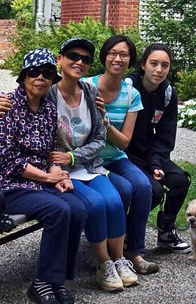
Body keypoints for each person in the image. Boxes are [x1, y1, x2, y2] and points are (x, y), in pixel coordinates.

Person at [0, 48, 87, 304]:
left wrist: (57, 173)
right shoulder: (6, 107)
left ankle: (57, 280)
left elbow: (50, 149)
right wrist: (47, 178)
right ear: (23, 76)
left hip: (34, 181)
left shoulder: (48, 110)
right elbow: (8, 161)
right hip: (5, 186)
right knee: (58, 210)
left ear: (53, 78)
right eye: (34, 72)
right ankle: (41, 283)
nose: (40, 77)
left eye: (48, 73)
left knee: (78, 208)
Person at [49, 37, 138, 292]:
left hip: (87, 165)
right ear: (60, 59)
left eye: (85, 59)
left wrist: (75, 157)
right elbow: (20, 102)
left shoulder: (89, 92)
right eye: (73, 56)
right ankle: (104, 263)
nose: (79, 62)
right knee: (97, 203)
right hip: (59, 170)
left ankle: (120, 260)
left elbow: (100, 136)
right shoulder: (49, 93)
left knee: (114, 199)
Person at [83, 35, 160, 275]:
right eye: (113, 53)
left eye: (124, 55)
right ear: (104, 56)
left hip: (115, 157)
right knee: (124, 189)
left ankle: (134, 252)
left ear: (131, 61)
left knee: (143, 186)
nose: (118, 59)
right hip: (88, 161)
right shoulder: (86, 86)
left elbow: (124, 142)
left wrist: (106, 123)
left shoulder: (131, 94)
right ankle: (105, 252)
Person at [126, 43, 192, 252]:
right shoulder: (128, 87)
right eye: (153, 63)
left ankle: (165, 232)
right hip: (126, 153)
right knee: (154, 191)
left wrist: (156, 163)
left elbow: (166, 136)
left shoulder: (168, 93)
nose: (159, 70)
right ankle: (125, 233)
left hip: (151, 154)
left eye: (165, 65)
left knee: (180, 180)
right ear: (143, 64)